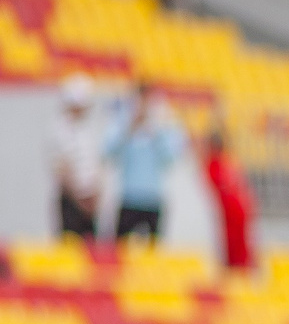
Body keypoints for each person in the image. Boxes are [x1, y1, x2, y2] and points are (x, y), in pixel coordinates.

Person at [104, 84, 187, 245]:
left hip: (153, 199)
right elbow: (108, 153)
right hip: (129, 197)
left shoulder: (164, 123)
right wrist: (130, 127)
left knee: (152, 255)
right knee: (120, 252)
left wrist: (155, 132)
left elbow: (170, 159)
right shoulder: (123, 120)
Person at [49, 76, 103, 242]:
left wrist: (95, 195)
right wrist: (80, 200)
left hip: (89, 200)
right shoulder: (59, 130)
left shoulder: (87, 129)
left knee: (90, 249)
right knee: (70, 248)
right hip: (72, 200)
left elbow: (95, 165)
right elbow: (62, 170)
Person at [200, 127, 256, 274]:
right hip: (237, 211)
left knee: (233, 254)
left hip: (229, 214)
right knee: (239, 252)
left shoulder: (214, 164)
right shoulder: (230, 162)